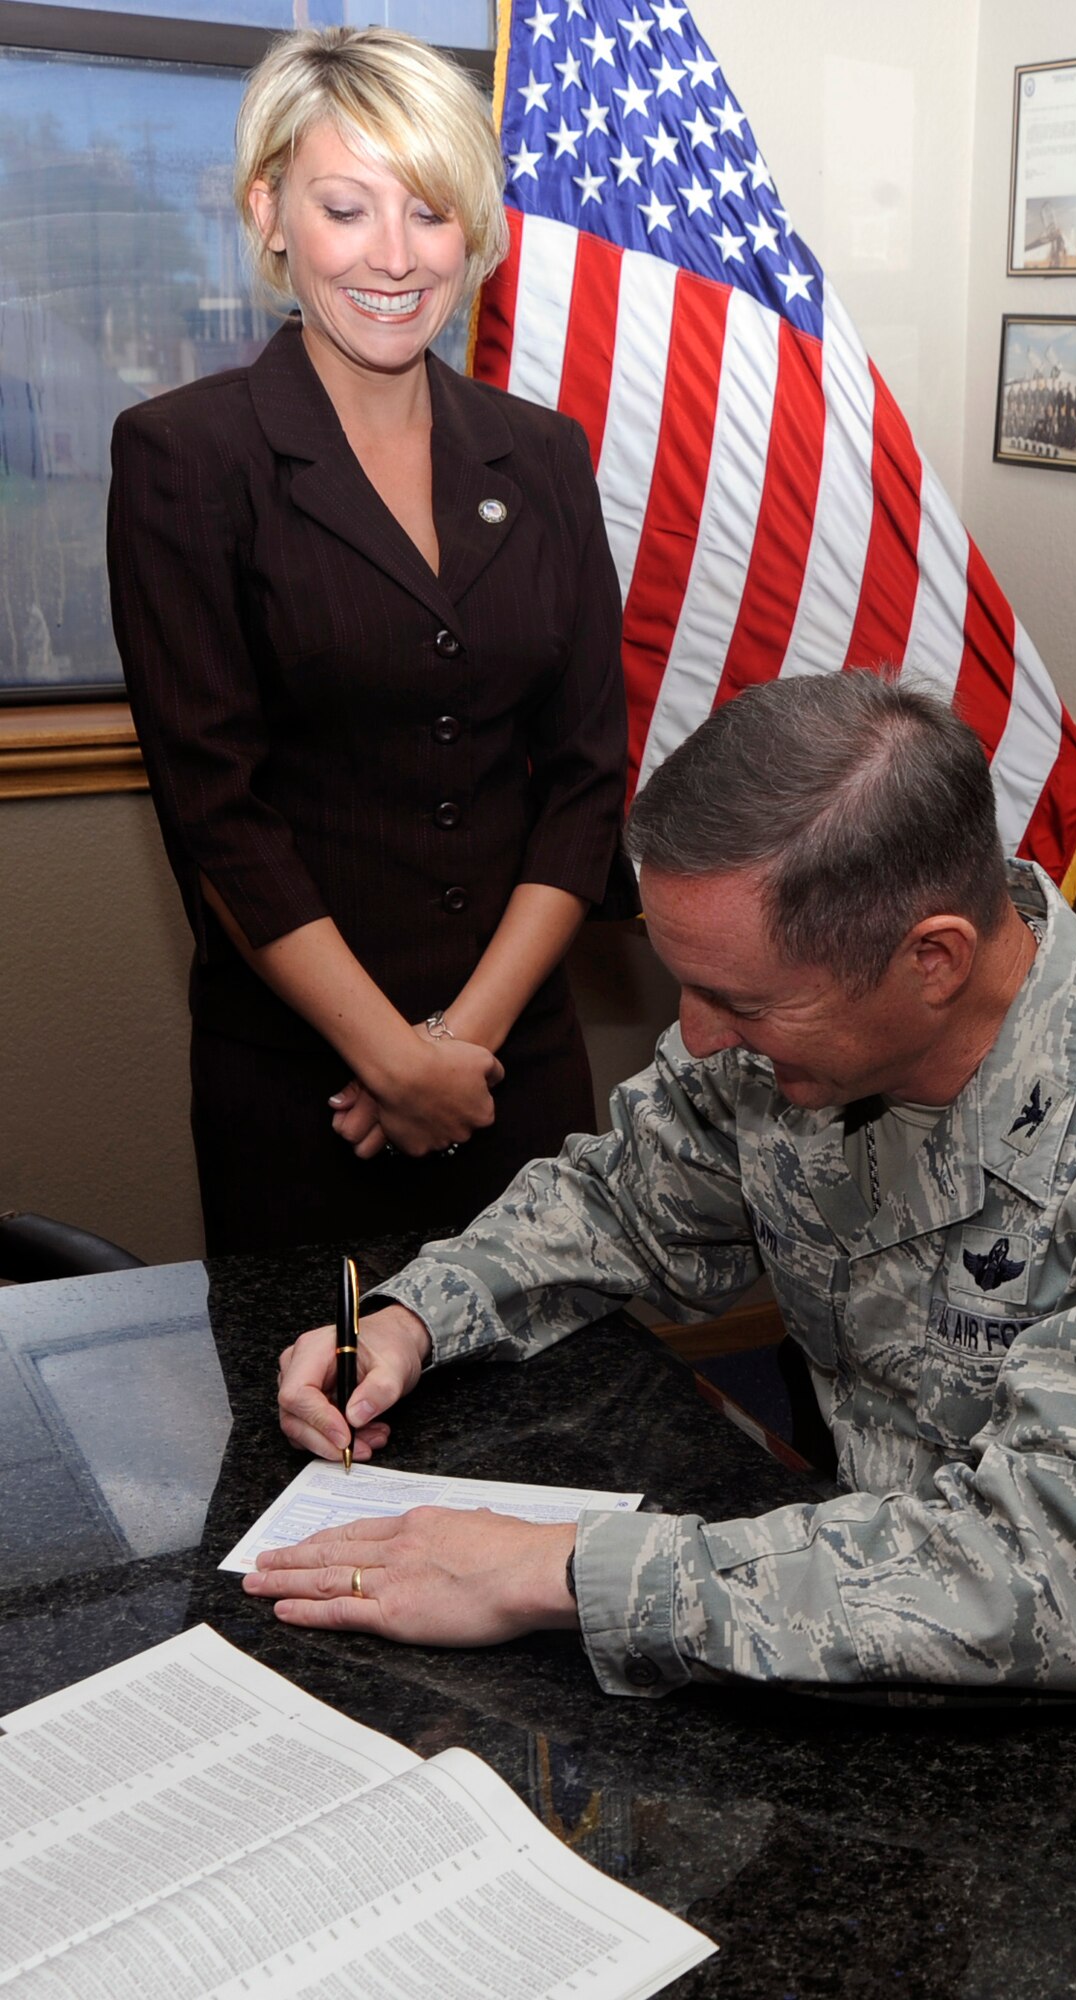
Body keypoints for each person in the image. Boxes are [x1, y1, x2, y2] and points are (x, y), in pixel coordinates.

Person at [255, 671, 1076, 1807]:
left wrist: (560, 1571)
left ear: (931, 959)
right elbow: (620, 1196)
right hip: (840, 1608)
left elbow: (1060, 1574)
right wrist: (414, 1313)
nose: (694, 1032)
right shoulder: (785, 1034)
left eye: (739, 999)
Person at [108, 27, 633, 1255]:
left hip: (517, 1068)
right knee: (321, 1428)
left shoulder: (544, 454)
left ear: (475, 233)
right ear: (271, 213)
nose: (394, 258)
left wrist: (457, 1051)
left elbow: (585, 780)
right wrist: (391, 1058)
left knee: (555, 1425)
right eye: (347, 209)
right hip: (306, 1090)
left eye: (431, 213)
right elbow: (216, 810)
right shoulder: (187, 455)